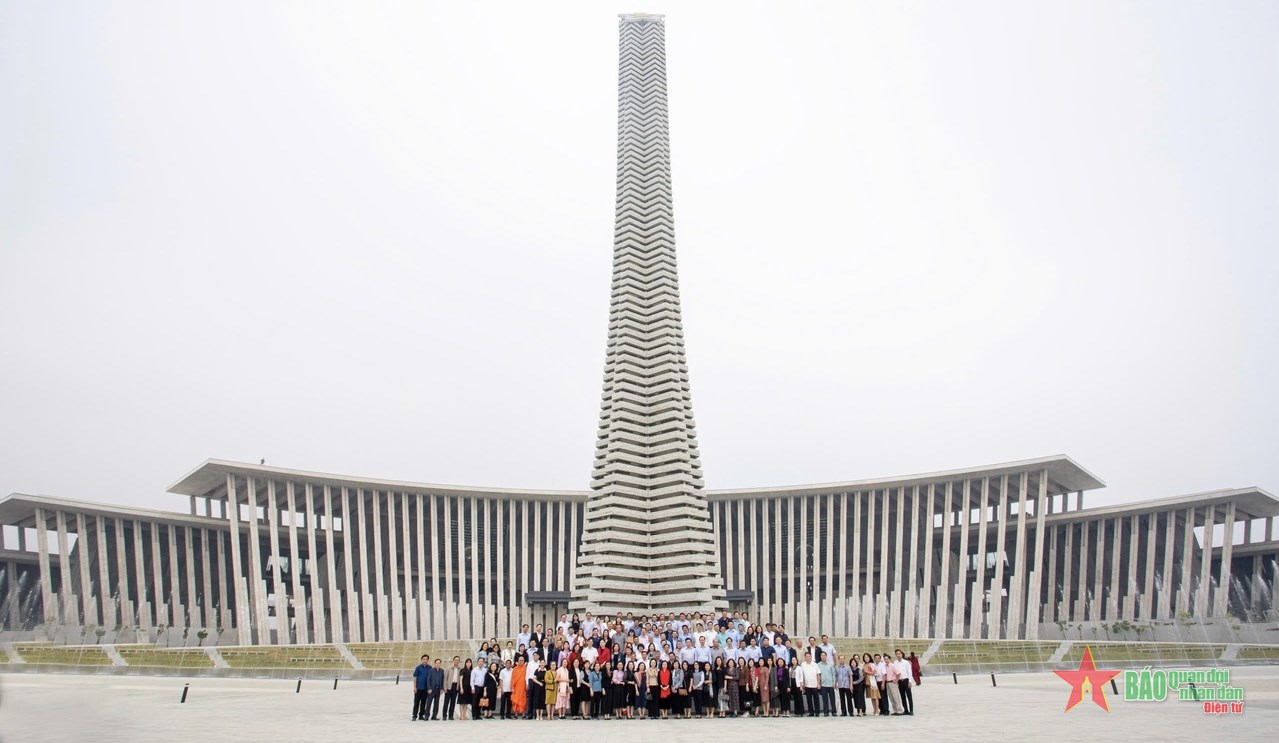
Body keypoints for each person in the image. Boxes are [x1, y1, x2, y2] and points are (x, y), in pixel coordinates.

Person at [895, 649, 915, 716]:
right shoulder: (895, 662)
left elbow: (909, 672)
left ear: (901, 654)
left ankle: (911, 710)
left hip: (906, 680)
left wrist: (910, 681)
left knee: (909, 696)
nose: (898, 655)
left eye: (899, 653)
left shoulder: (906, 662)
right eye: (897, 654)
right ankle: (905, 710)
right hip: (900, 681)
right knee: (902, 696)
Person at [412, 654, 431, 721]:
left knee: (423, 703)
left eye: (426, 659)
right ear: (421, 660)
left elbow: (430, 678)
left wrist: (429, 688)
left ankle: (421, 715)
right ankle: (414, 715)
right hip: (418, 688)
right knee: (416, 702)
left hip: (425, 689)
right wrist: (414, 687)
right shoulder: (418, 668)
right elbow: (415, 677)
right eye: (423, 659)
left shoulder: (430, 668)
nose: (424, 660)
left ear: (428, 660)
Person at [444, 656, 462, 720]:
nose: (456, 661)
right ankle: (444, 715)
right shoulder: (449, 668)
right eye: (455, 660)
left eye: (458, 660)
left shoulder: (460, 669)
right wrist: (445, 687)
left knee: (453, 702)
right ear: (453, 660)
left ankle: (451, 715)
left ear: (459, 661)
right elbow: (445, 678)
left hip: (455, 686)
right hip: (449, 686)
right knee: (446, 702)